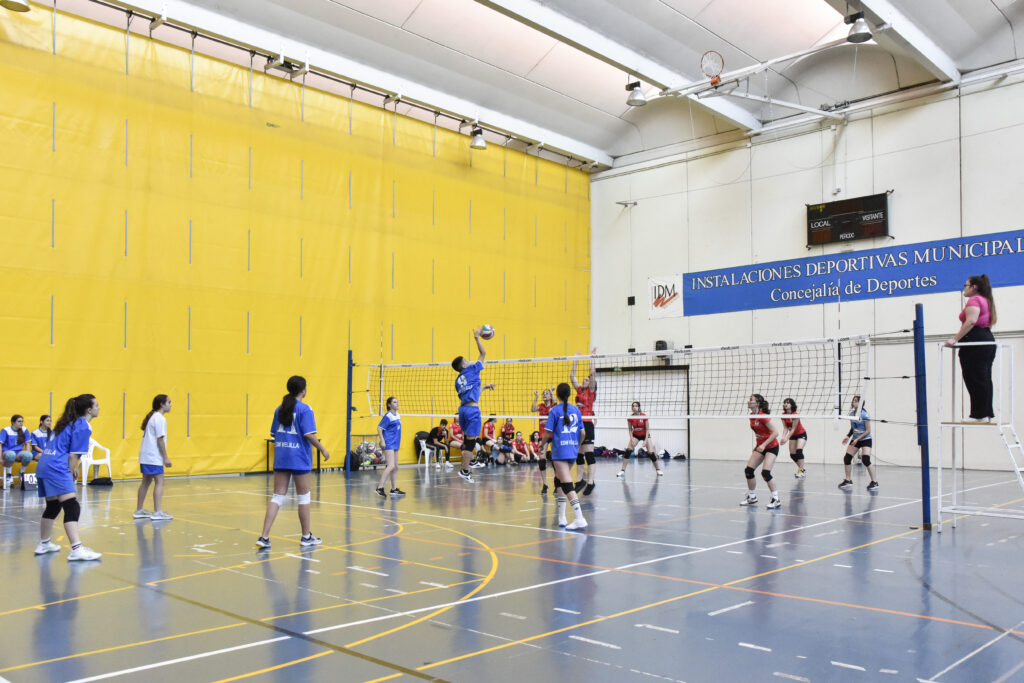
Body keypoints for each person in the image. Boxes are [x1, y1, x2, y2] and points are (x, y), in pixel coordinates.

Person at [256, 376, 330, 549]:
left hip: (282, 456)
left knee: (277, 496)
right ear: (303, 390)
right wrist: (322, 449)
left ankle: (264, 536)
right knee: (304, 497)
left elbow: (274, 434)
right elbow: (309, 434)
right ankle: (306, 537)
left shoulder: (280, 409)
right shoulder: (305, 409)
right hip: (299, 458)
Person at [34, 394, 101, 560]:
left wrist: (73, 468)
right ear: (89, 409)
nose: (100, 408)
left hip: (44, 465)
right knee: (71, 506)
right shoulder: (83, 426)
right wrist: (71, 473)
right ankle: (76, 549)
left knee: (53, 506)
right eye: (97, 405)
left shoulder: (66, 423)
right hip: (56, 467)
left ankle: (44, 544)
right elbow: (72, 456)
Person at [945, 274, 997, 421]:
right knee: (983, 377)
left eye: (966, 285)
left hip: (976, 340)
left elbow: (971, 321)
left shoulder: (974, 300)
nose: (964, 289)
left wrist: (955, 339)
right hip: (986, 339)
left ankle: (979, 413)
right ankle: (985, 412)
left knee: (974, 377)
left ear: (974, 287)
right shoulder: (986, 300)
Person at [539, 383, 588, 530]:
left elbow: (547, 433)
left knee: (566, 483)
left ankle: (580, 518)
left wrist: (541, 445)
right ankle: (562, 517)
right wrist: (577, 446)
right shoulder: (576, 410)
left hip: (560, 451)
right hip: (572, 451)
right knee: (559, 481)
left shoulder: (554, 411)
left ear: (558, 395)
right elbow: (583, 433)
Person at [451, 328, 496, 483]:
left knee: (468, 440)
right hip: (472, 411)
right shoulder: (471, 369)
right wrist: (477, 338)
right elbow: (483, 354)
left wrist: (483, 387)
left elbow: (470, 394)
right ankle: (465, 469)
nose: (468, 361)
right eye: (466, 360)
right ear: (464, 365)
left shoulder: (458, 381)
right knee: (471, 442)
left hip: (463, 409)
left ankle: (469, 464)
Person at [134, 395, 174, 520]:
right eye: (169, 402)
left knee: (146, 482)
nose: (171, 404)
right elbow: (160, 439)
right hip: (153, 457)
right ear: (162, 404)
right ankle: (157, 512)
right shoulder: (160, 418)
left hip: (146, 456)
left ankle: (139, 510)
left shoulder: (153, 417)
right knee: (160, 481)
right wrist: (165, 457)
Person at [740, 394, 782, 509]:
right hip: (760, 447)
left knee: (765, 473)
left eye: (751, 400)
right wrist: (758, 445)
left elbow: (775, 433)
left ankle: (776, 499)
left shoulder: (763, 416)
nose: (749, 401)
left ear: (757, 403)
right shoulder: (752, 416)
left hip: (771, 446)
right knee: (748, 471)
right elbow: (760, 434)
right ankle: (752, 497)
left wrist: (763, 445)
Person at [571, 348, 598, 493]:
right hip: (577, 424)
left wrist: (592, 358)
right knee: (578, 454)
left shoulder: (591, 391)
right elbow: (572, 376)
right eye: (585, 379)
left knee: (589, 454)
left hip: (587, 423)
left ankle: (591, 482)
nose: (585, 379)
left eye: (587, 379)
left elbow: (592, 374)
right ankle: (579, 480)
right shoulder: (579, 390)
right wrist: (575, 359)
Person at [838, 395, 878, 491]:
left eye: (856, 401)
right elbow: (853, 428)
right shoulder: (852, 414)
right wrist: (848, 436)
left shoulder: (865, 415)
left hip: (865, 439)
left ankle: (874, 482)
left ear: (860, 404)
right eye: (853, 401)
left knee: (865, 459)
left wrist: (857, 439)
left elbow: (868, 431)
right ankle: (848, 480)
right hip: (856, 439)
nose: (854, 402)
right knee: (847, 458)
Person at [615, 401, 663, 481]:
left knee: (651, 453)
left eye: (636, 406)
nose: (634, 407)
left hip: (645, 435)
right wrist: (632, 439)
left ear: (639, 407)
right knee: (628, 451)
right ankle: (622, 470)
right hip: (636, 435)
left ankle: (658, 469)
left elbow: (648, 429)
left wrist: (646, 440)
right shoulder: (631, 417)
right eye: (633, 406)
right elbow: (630, 429)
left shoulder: (644, 416)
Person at [375, 396, 405, 498]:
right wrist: (382, 441)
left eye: (397, 402)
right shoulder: (388, 416)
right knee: (391, 466)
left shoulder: (398, 415)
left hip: (396, 443)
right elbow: (379, 428)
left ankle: (393, 489)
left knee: (396, 466)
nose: (397, 404)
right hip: (389, 443)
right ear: (389, 405)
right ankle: (380, 487)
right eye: (395, 402)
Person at [531, 388, 555, 493]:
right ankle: (545, 485)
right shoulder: (540, 406)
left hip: (553, 434)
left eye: (547, 394)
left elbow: (556, 402)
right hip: (543, 435)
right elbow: (532, 409)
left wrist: (552, 391)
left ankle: (557, 483)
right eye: (543, 394)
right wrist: (536, 397)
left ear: (550, 396)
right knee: (541, 459)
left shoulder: (553, 406)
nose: (544, 395)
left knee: (555, 459)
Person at [2, 414, 34, 490]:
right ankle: (9, 475)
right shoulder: (6, 430)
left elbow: (27, 444)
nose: (21, 423)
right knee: (11, 454)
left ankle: (21, 473)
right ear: (13, 422)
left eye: (22, 421)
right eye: (19, 421)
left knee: (28, 455)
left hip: (18, 453)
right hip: (6, 452)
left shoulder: (24, 430)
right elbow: (0, 445)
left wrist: (28, 454)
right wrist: (0, 458)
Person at [780, 398, 808, 479]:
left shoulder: (795, 414)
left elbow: (793, 429)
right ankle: (802, 469)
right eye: (784, 402)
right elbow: (785, 428)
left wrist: (786, 439)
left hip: (801, 434)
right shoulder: (783, 415)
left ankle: (801, 471)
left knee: (799, 450)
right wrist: (783, 437)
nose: (786, 404)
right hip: (793, 435)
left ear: (792, 405)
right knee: (792, 454)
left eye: (788, 403)